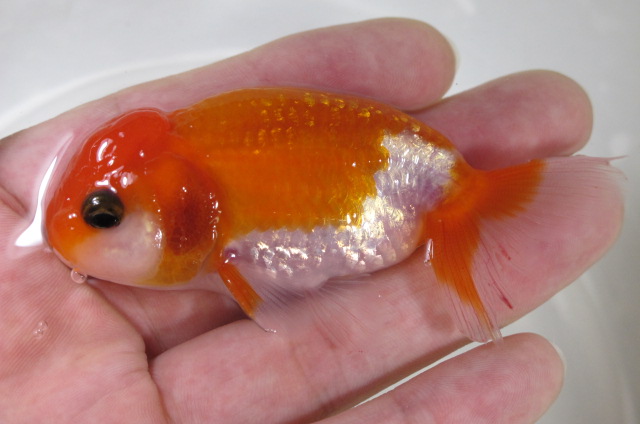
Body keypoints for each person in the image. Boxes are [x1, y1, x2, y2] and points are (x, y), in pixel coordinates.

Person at [0, 18, 623, 423]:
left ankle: (521, 196)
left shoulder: (218, 202)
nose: (80, 233)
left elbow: (293, 305)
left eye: (105, 215)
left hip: (401, 173)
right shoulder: (200, 170)